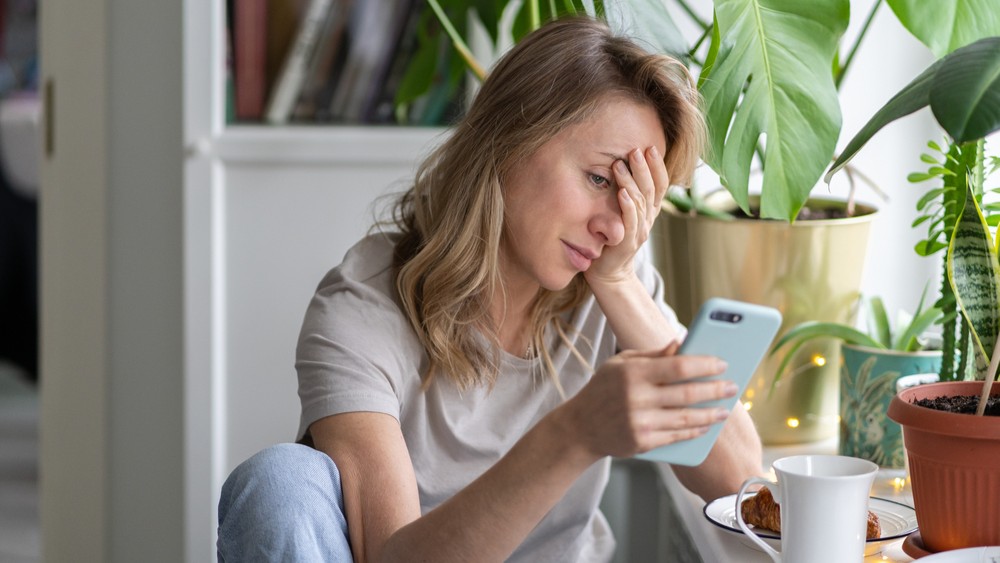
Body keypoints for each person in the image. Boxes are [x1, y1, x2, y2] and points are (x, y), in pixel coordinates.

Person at [217, 16, 763, 562]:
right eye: (600, 179)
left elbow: (740, 482)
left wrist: (618, 282)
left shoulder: (608, 277)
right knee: (279, 482)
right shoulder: (363, 307)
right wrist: (571, 435)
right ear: (508, 140)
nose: (614, 227)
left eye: (632, 197)